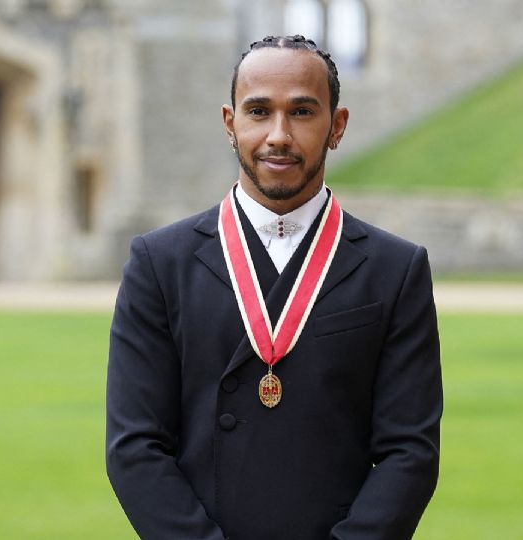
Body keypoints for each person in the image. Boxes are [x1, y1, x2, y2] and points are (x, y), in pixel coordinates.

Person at [106, 35, 442, 540]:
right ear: (230, 123)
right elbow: (134, 447)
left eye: (302, 112)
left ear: (338, 126)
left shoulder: (396, 269)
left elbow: (409, 452)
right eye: (259, 111)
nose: (278, 135)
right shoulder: (159, 263)